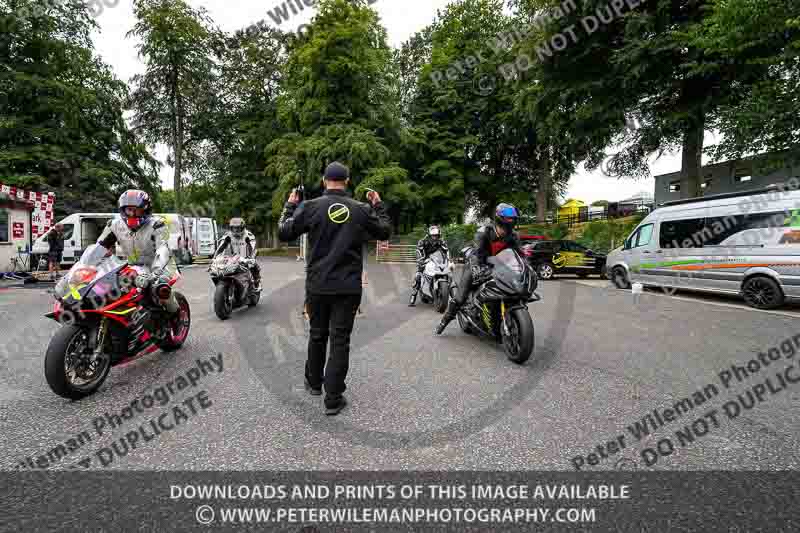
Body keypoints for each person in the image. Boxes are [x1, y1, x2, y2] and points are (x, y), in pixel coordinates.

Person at [278, 161, 391, 415]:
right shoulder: (360, 209)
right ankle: (333, 398)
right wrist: (377, 205)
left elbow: (284, 232)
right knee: (340, 339)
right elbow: (384, 232)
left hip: (318, 285)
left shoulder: (310, 206)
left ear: (324, 180)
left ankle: (314, 383)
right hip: (348, 286)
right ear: (348, 181)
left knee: (317, 334)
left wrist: (290, 205)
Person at [436, 203, 522, 334]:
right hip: (478, 264)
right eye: (504, 227)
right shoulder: (483, 232)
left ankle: (496, 314)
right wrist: (477, 268)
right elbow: (477, 253)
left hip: (499, 267)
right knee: (460, 297)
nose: (505, 231)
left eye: (509, 227)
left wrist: (525, 266)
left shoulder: (513, 235)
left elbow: (519, 255)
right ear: (498, 221)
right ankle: (444, 322)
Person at [91, 189, 179, 316]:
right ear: (123, 210)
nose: (132, 214)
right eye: (129, 210)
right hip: (133, 267)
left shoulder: (157, 225)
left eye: (136, 210)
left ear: (145, 210)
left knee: (161, 288)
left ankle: (175, 314)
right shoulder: (114, 225)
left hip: (159, 265)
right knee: (105, 286)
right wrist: (86, 266)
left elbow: (163, 250)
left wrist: (155, 274)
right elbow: (99, 247)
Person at [213, 217, 261, 290]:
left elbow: (254, 248)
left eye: (238, 228)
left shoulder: (248, 235)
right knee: (218, 270)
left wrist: (251, 258)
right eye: (233, 228)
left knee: (254, 266)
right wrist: (214, 258)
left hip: (246, 258)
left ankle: (257, 283)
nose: (235, 230)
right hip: (232, 259)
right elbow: (221, 247)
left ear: (242, 227)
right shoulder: (227, 235)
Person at [409, 225, 449, 306]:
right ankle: (413, 296)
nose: (435, 237)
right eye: (433, 235)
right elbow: (418, 251)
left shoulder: (441, 242)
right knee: (418, 276)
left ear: (439, 235)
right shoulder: (423, 241)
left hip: (437, 260)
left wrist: (449, 259)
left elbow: (446, 251)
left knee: (448, 272)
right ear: (429, 235)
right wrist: (420, 259)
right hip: (425, 260)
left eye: (436, 235)